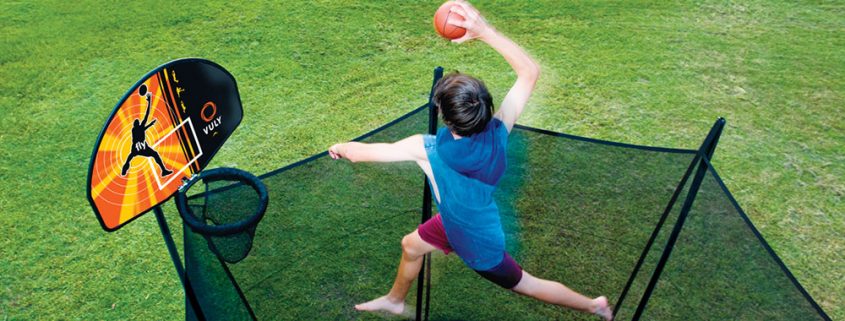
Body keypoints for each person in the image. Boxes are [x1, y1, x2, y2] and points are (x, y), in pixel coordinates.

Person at [328, 1, 612, 320]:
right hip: (454, 220)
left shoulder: (427, 149)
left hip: (478, 243)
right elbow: (530, 72)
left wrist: (339, 146)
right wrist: (484, 31)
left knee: (526, 284)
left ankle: (593, 305)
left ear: (446, 119)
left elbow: (361, 153)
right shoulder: (499, 130)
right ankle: (395, 300)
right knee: (411, 245)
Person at [121, 85, 173, 177]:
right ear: (138, 124)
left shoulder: (135, 129)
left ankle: (124, 169)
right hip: (143, 147)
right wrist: (149, 102)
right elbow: (147, 114)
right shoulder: (140, 127)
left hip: (135, 148)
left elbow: (143, 129)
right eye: (137, 121)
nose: (138, 120)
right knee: (155, 154)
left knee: (130, 157)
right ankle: (163, 170)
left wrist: (150, 125)